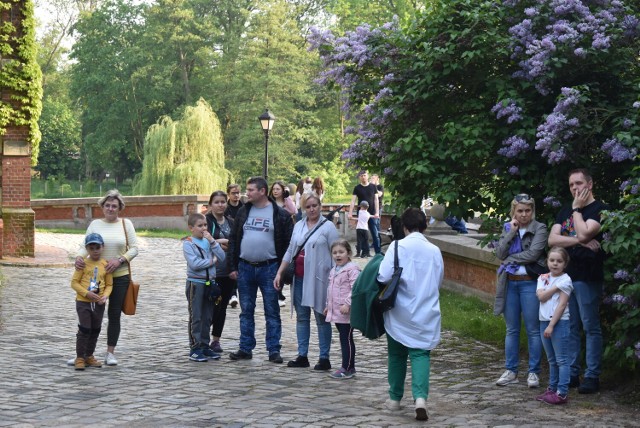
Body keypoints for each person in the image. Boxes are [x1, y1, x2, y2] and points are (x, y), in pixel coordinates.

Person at [377, 208, 443, 421]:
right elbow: (438, 280)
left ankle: (395, 400)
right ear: (424, 226)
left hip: (399, 311)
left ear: (404, 227)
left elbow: (383, 276)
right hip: (426, 310)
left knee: (396, 354)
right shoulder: (434, 250)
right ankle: (421, 398)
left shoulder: (396, 247)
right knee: (420, 354)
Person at [548, 168, 608, 394]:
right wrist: (580, 241)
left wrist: (577, 211)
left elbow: (585, 232)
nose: (575, 188)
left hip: (587, 276)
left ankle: (592, 376)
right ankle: (573, 372)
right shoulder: (565, 209)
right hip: (566, 277)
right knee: (571, 326)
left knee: (590, 326)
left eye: (579, 183)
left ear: (589, 184)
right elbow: (552, 239)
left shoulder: (601, 210)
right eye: (572, 185)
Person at [228, 176, 294, 363]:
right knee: (246, 310)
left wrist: (283, 271)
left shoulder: (280, 214)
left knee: (272, 310)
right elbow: (234, 239)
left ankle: (273, 349)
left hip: (270, 268)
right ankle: (245, 348)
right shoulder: (243, 211)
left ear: (262, 191)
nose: (246, 193)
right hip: (245, 267)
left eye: (251, 190)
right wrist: (232, 266)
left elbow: (289, 245)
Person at [73, 189, 139, 367]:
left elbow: (134, 248)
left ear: (120, 208)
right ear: (102, 207)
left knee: (114, 314)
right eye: (108, 205)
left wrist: (120, 260)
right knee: (90, 316)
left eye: (114, 206)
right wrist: (79, 257)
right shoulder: (95, 224)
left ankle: (110, 352)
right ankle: (84, 353)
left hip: (119, 276)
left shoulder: (126, 224)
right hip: (95, 278)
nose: (111, 208)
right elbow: (84, 245)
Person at [274, 193, 339, 370]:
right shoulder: (299, 226)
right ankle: (302, 355)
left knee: (321, 317)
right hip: (299, 277)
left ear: (320, 206)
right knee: (302, 318)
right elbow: (290, 250)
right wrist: (280, 272)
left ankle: (324, 357)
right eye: (308, 206)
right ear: (303, 208)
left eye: (314, 206)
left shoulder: (328, 227)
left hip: (320, 279)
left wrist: (336, 278)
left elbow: (337, 253)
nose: (311, 209)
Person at [494, 194, 547, 388]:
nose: (524, 214)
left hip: (529, 283)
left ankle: (533, 372)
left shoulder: (539, 228)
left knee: (533, 330)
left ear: (532, 211)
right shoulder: (508, 228)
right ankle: (511, 370)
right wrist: (511, 233)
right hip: (510, 283)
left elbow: (534, 253)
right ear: (513, 212)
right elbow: (499, 253)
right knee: (512, 329)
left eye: (528, 210)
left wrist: (510, 259)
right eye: (520, 211)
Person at [183, 213, 226, 362]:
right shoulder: (188, 243)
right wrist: (211, 261)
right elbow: (194, 264)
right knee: (196, 316)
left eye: (205, 225)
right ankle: (195, 347)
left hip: (210, 283)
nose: (203, 228)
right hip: (195, 283)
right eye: (200, 226)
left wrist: (213, 242)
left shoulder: (208, 242)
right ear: (191, 228)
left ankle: (205, 345)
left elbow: (222, 257)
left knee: (207, 316)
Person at [536, 247, 573, 405]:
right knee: (551, 359)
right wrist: (556, 288)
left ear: (565, 264)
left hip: (558, 323)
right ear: (547, 262)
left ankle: (562, 392)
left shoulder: (566, 280)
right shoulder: (543, 277)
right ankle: (551, 389)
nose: (555, 264)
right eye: (552, 260)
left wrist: (551, 326)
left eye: (559, 261)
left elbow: (562, 304)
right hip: (543, 320)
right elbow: (541, 296)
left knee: (562, 360)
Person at [71, 233, 113, 371]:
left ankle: (89, 355)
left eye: (97, 247)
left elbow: (109, 285)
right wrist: (86, 293)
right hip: (83, 302)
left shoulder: (105, 265)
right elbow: (74, 283)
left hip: (99, 303)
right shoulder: (82, 264)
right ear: (87, 249)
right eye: (91, 248)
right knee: (84, 329)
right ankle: (80, 357)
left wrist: (105, 296)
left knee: (95, 329)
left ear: (102, 247)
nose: (95, 251)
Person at [324, 239, 360, 379]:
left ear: (348, 253)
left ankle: (347, 367)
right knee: (343, 337)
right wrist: (328, 305)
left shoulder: (352, 270)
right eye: (334, 253)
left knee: (346, 338)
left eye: (341, 252)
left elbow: (355, 289)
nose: (337, 255)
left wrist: (348, 303)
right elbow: (330, 289)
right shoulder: (334, 270)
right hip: (337, 310)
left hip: (346, 311)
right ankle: (349, 366)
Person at [205, 191, 236, 352]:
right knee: (209, 307)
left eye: (223, 202)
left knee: (222, 307)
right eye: (217, 202)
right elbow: (203, 241)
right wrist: (223, 242)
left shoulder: (231, 222)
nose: (220, 205)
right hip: (211, 271)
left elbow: (236, 243)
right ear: (211, 204)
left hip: (227, 272)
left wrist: (219, 243)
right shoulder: (206, 221)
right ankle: (200, 337)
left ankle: (216, 340)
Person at [348, 170, 381, 255]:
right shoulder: (357, 188)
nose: (363, 177)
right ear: (359, 177)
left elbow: (376, 200)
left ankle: (378, 253)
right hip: (361, 214)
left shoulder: (373, 187)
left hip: (372, 213)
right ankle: (364, 252)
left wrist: (377, 212)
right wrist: (350, 213)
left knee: (375, 233)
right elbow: (353, 201)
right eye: (361, 176)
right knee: (361, 234)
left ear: (367, 176)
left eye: (364, 175)